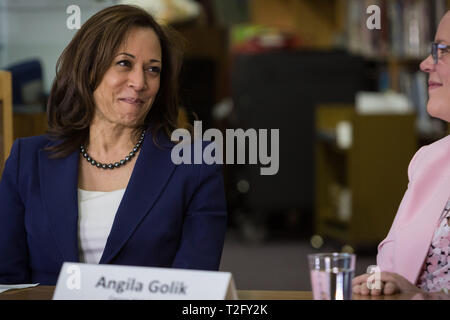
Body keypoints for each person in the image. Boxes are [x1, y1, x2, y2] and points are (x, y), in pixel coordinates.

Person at [0, 5, 227, 285]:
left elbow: (194, 285)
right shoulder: (27, 159)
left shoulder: (195, 165)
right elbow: (6, 280)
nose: (139, 82)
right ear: (88, 68)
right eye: (124, 63)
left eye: (153, 69)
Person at [352, 11, 450, 298]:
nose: (425, 63)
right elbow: (389, 268)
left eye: (442, 50)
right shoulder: (429, 160)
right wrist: (384, 286)